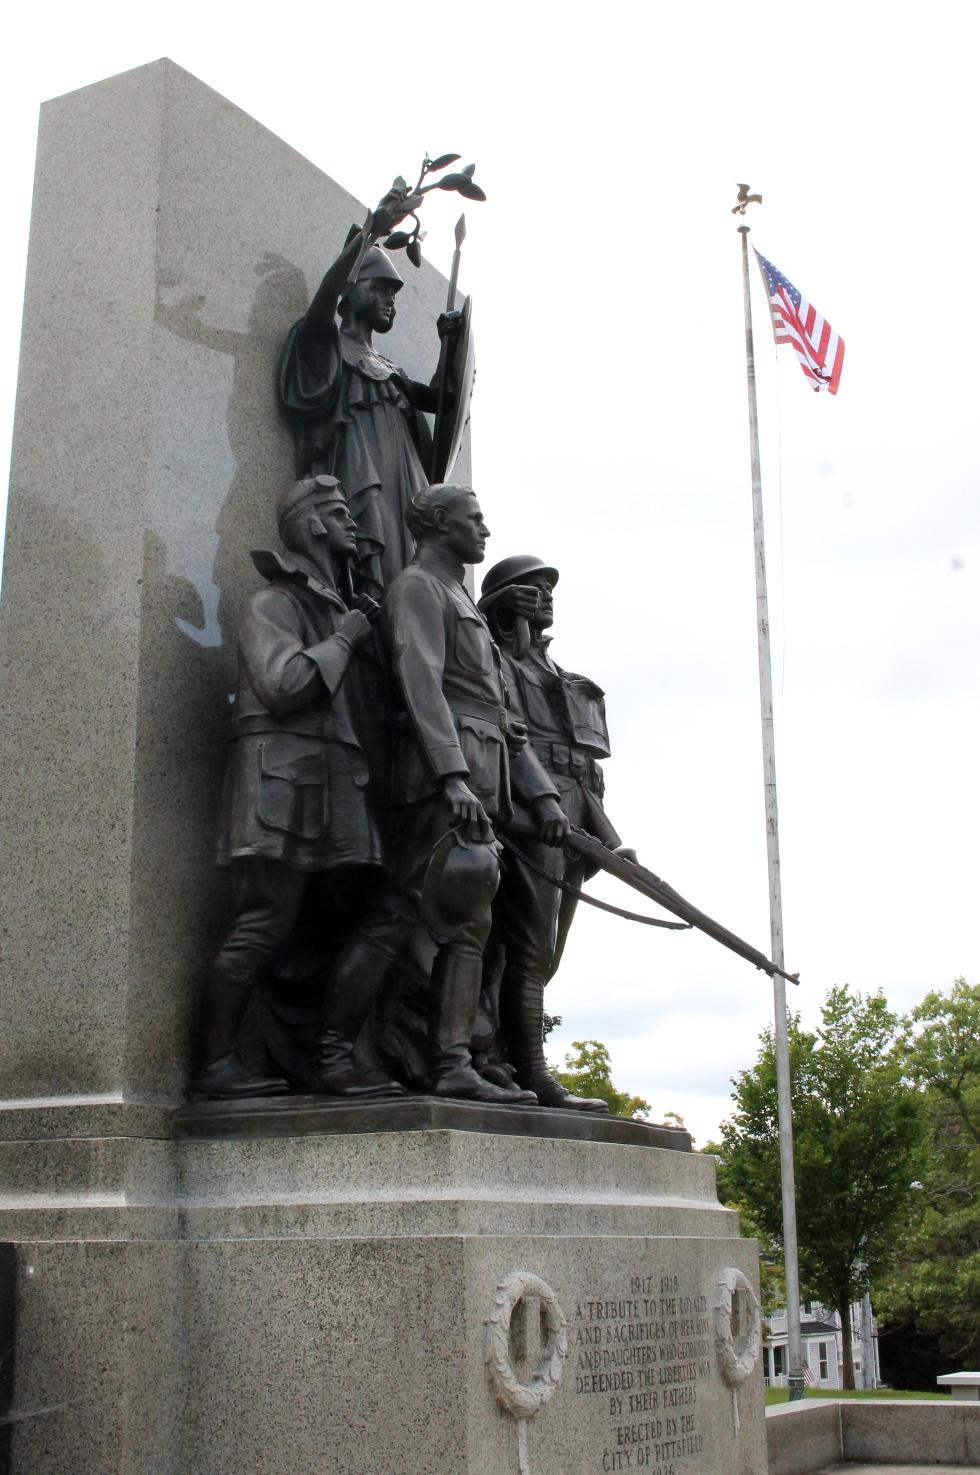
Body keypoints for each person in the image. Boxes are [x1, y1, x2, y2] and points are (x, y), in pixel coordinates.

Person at [321, 486, 570, 1104]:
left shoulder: (462, 598)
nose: (485, 530)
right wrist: (450, 775)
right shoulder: (416, 587)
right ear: (438, 522)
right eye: (475, 519)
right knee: (397, 914)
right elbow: (420, 680)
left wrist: (541, 797)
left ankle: (452, 1064)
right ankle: (331, 1053)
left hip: (485, 783)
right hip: (440, 782)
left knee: (470, 930)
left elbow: (506, 721)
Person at [193, 474, 400, 1099]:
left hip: (337, 783)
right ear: (312, 524)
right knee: (265, 918)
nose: (354, 526)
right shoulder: (274, 603)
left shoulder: (343, 605)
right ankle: (215, 1064)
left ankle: (329, 1058)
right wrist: (345, 639)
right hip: (282, 783)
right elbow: (284, 687)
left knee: (347, 918)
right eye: (341, 514)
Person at [478, 555, 635, 1111]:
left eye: (548, 590)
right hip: (527, 811)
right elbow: (505, 736)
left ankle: (509, 1057)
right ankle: (529, 1071)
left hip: (574, 815)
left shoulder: (559, 673)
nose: (544, 597)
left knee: (546, 955)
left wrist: (607, 838)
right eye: (531, 589)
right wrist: (495, 617)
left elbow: (581, 765)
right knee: (528, 949)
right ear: (502, 600)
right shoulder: (493, 659)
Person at [278, 188, 458, 597]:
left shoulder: (390, 370)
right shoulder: (327, 345)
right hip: (359, 473)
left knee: (411, 559)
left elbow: (440, 403)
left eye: (393, 294)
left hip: (406, 481)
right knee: (375, 554)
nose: (389, 301)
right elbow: (323, 302)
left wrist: (450, 347)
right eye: (379, 289)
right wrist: (372, 232)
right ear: (351, 290)